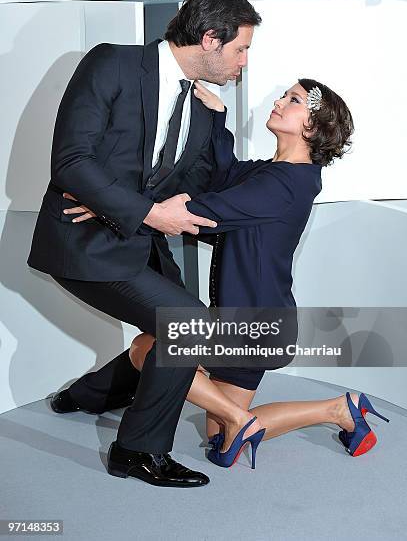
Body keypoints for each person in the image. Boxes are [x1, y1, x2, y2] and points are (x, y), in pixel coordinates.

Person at [27, 0, 262, 488]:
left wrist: (217, 123)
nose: (245, 61)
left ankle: (85, 396)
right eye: (241, 47)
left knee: (171, 336)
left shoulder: (201, 105)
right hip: (81, 243)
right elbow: (71, 161)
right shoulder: (111, 63)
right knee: (187, 324)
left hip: (138, 245)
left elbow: (203, 183)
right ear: (210, 39)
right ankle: (136, 452)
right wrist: (145, 211)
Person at [123, 79, 389, 467]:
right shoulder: (274, 173)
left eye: (293, 100)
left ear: (312, 127)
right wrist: (217, 118)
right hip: (257, 321)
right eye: (285, 95)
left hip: (253, 326)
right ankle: (340, 410)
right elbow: (225, 173)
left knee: (144, 348)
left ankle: (241, 419)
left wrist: (118, 206)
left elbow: (204, 209)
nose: (279, 101)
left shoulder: (287, 183)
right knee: (220, 440)